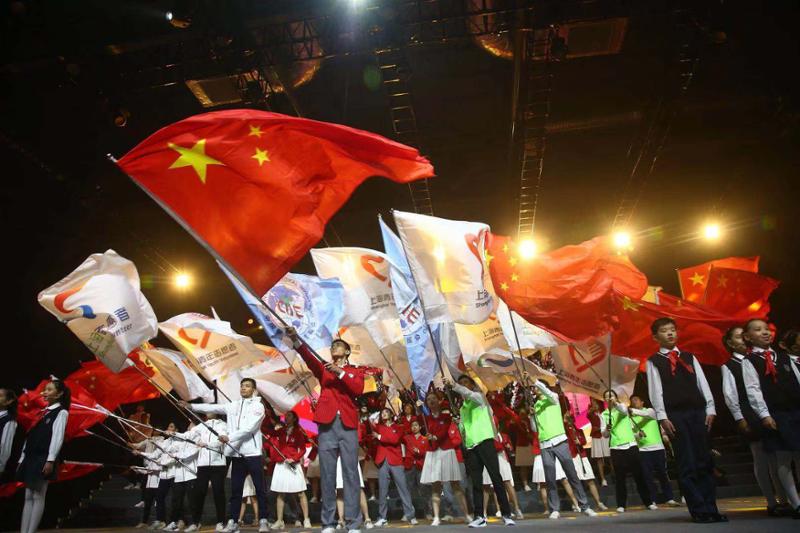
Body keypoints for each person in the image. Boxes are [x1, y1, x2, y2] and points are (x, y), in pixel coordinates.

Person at [646, 317, 724, 523]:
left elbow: (702, 383)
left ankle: (711, 508)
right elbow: (656, 391)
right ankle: (698, 510)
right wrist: (662, 416)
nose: (670, 333)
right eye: (664, 331)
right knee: (687, 462)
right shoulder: (654, 361)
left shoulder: (689, 357)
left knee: (704, 460)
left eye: (672, 329)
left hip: (698, 412)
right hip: (676, 415)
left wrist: (710, 407)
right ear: (655, 337)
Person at [286, 329, 365, 533]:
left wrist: (340, 372)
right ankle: (328, 523)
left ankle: (353, 522)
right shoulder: (323, 369)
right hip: (327, 425)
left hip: (347, 425)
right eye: (332, 346)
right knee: (327, 475)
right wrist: (295, 339)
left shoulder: (355, 371)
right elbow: (308, 358)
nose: (334, 347)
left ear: (347, 352)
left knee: (351, 474)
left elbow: (357, 388)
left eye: (339, 345)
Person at [182, 377, 269, 533]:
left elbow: (249, 429)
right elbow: (214, 408)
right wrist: (191, 406)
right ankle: (233, 522)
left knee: (259, 489)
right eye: (242, 386)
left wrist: (230, 437)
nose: (243, 388)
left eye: (247, 386)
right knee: (236, 490)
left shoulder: (258, 406)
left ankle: (263, 520)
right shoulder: (233, 405)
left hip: (253, 454)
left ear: (253, 390)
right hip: (236, 455)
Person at [720, 326, 783, 515]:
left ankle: (783, 498)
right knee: (761, 458)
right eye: (739, 337)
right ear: (730, 343)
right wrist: (740, 418)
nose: (743, 340)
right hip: (749, 413)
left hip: (768, 409)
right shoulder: (730, 365)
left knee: (777, 458)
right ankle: (771, 501)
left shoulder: (759, 359)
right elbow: (730, 395)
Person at [741, 318, 800, 518]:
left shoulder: (784, 357)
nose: (765, 332)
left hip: (795, 410)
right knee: (783, 458)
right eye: (758, 330)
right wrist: (764, 415)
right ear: (748, 337)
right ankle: (795, 503)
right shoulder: (749, 361)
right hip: (776, 413)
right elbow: (753, 390)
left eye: (767, 329)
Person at [449, 375, 515, 527]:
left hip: (485, 441)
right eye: (461, 383)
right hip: (472, 446)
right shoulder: (463, 408)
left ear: (472, 385)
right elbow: (464, 431)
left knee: (496, 477)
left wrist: (454, 385)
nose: (463, 385)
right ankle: (479, 516)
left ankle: (506, 514)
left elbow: (469, 394)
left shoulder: (480, 398)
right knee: (476, 482)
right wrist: (459, 424)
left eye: (466, 382)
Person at [529, 378, 596, 520]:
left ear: (544, 387)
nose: (534, 389)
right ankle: (554, 509)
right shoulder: (536, 405)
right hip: (545, 444)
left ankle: (585, 506)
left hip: (560, 441)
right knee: (550, 479)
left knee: (572, 475)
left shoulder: (553, 398)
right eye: (534, 387)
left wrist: (534, 380)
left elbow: (547, 392)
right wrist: (532, 416)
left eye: (536, 387)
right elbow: (535, 428)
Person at [16, 379, 69, 533]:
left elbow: (57, 437)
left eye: (49, 389)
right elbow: (29, 437)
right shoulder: (40, 412)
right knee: (28, 496)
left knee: (38, 495)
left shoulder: (61, 412)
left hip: (43, 457)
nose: (44, 392)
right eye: (45, 389)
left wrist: (50, 460)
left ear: (59, 394)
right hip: (30, 456)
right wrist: (22, 458)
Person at [420, 392, 471, 526]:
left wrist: (434, 437)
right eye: (428, 399)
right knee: (436, 486)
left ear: (439, 401)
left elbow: (443, 431)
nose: (431, 401)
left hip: (447, 451)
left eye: (433, 398)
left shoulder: (446, 417)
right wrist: (418, 407)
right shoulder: (425, 418)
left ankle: (466, 515)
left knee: (455, 485)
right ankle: (436, 517)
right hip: (433, 453)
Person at [603, 391, 656, 513]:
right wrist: (607, 429)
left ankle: (648, 502)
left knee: (639, 475)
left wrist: (615, 403)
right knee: (620, 478)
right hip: (616, 448)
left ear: (615, 397)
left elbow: (623, 410)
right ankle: (621, 505)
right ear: (604, 400)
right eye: (606, 397)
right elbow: (605, 435)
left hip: (631, 445)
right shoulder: (604, 414)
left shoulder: (622, 407)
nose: (609, 398)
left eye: (611, 396)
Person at [629, 395, 680, 507]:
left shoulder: (650, 411)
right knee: (647, 477)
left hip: (658, 448)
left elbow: (645, 414)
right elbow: (631, 435)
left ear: (642, 402)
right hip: (643, 450)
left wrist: (632, 411)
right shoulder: (631, 419)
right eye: (632, 401)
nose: (634, 402)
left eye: (636, 400)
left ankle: (669, 498)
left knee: (663, 474)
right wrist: (638, 435)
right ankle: (652, 500)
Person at [369, 408, 417, 526]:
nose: (383, 414)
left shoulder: (398, 427)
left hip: (396, 460)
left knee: (403, 488)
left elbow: (394, 440)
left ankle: (410, 515)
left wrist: (379, 437)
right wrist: (371, 419)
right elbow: (370, 427)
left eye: (386, 412)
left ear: (391, 415)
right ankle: (382, 517)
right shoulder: (379, 427)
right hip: (382, 460)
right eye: (382, 413)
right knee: (383, 490)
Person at [184, 413, 228, 532]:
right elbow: (189, 434)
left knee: (218, 493)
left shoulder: (222, 425)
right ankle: (196, 522)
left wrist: (207, 444)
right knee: (199, 493)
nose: (208, 411)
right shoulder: (202, 425)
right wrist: (174, 434)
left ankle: (221, 522)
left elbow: (221, 440)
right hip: (203, 464)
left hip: (218, 464)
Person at [269, 411, 312, 529]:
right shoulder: (281, 430)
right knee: (280, 493)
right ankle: (279, 520)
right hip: (281, 464)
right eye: (286, 415)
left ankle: (306, 519)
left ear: (294, 419)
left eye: (289, 416)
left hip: (294, 464)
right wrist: (268, 416)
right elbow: (268, 431)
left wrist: (294, 459)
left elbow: (302, 449)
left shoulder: (299, 432)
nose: (286, 417)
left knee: (301, 493)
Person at [136, 422, 178, 530]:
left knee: (176, 499)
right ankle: (161, 521)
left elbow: (177, 457)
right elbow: (154, 455)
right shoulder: (165, 442)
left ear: (176, 430)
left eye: (171, 427)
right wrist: (141, 453)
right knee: (159, 497)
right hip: (164, 475)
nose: (168, 428)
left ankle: (175, 521)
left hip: (175, 474)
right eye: (168, 426)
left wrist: (165, 462)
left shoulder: (180, 442)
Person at [564, 413, 606, 511]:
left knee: (590, 480)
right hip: (573, 457)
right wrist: (565, 422)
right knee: (575, 481)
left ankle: (598, 503)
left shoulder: (579, 431)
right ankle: (576, 504)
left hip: (582, 457)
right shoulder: (566, 431)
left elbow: (584, 441)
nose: (570, 421)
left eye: (571, 419)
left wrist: (579, 442)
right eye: (568, 420)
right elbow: (566, 430)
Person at [480, 431, 523, 519]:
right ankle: (483, 513)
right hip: (487, 457)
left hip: (500, 457)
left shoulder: (503, 436)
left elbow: (508, 448)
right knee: (486, 486)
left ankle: (517, 509)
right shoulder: (482, 434)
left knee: (507, 482)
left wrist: (507, 446)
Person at [163, 424, 199, 531]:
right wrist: (169, 438)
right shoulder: (181, 440)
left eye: (192, 426)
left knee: (192, 500)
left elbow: (191, 453)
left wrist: (177, 455)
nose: (189, 428)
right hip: (179, 475)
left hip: (191, 474)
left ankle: (194, 523)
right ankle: (174, 522)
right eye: (189, 426)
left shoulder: (197, 439)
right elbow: (168, 448)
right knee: (176, 499)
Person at [131, 436, 162, 529]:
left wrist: (143, 469)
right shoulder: (151, 460)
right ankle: (144, 522)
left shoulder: (161, 458)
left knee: (158, 504)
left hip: (158, 484)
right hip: (149, 485)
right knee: (147, 504)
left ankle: (160, 521)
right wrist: (137, 468)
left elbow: (157, 469)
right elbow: (147, 470)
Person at [403, 420, 430, 516]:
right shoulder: (407, 438)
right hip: (409, 466)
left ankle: (428, 512)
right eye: (412, 426)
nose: (414, 427)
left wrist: (419, 451)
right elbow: (399, 433)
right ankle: (408, 513)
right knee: (407, 490)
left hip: (421, 466)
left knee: (424, 489)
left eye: (416, 425)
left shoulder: (425, 439)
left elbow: (427, 452)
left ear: (420, 427)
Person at [587, 399, 610, 487]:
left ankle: (615, 475)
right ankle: (603, 479)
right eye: (592, 402)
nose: (594, 403)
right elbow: (588, 415)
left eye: (595, 402)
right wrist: (592, 409)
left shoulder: (604, 413)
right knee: (599, 459)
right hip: (597, 436)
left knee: (610, 456)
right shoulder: (591, 412)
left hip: (605, 435)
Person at [0, 388, 18, 478]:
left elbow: (5, 446)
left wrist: (1, 466)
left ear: (8, 401)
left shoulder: (9, 420)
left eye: (0, 396)